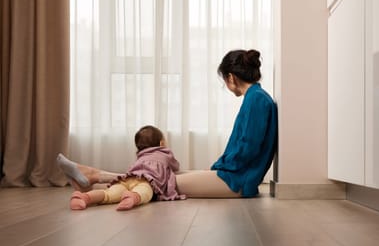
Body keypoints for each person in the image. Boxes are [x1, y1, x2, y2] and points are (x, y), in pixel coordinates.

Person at [57, 49, 278, 198]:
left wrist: (220, 168)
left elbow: (248, 149)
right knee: (172, 176)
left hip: (238, 181)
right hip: (235, 175)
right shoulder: (257, 97)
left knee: (160, 180)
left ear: (231, 77)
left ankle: (93, 176)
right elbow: (245, 148)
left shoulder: (256, 100)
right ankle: (92, 176)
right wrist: (217, 167)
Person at [66, 125, 184, 211]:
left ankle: (84, 197)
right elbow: (175, 166)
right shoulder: (165, 152)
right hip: (146, 180)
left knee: (109, 194)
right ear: (162, 143)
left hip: (127, 178)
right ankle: (133, 197)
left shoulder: (141, 155)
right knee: (144, 192)